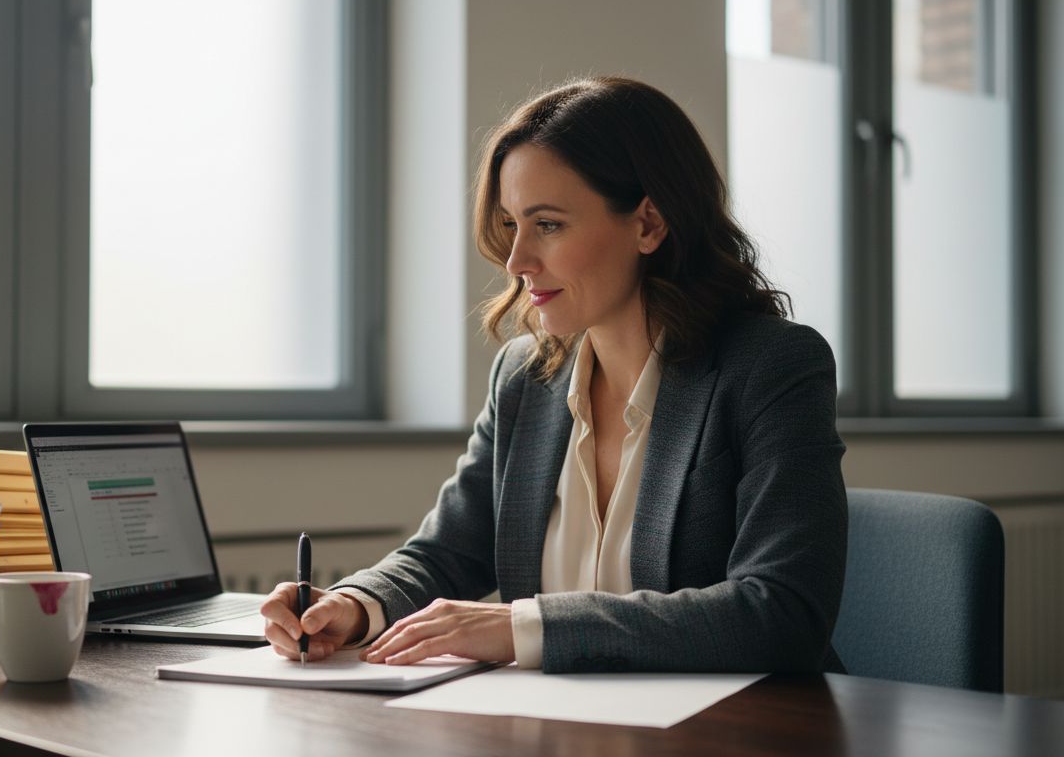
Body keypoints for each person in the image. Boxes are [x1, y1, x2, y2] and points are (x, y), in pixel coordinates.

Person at [260, 76, 848, 673]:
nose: (517, 262)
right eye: (513, 224)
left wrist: (526, 626)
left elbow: (783, 612)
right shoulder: (524, 377)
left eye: (548, 225)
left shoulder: (771, 368)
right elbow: (446, 551)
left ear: (648, 223)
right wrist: (352, 604)